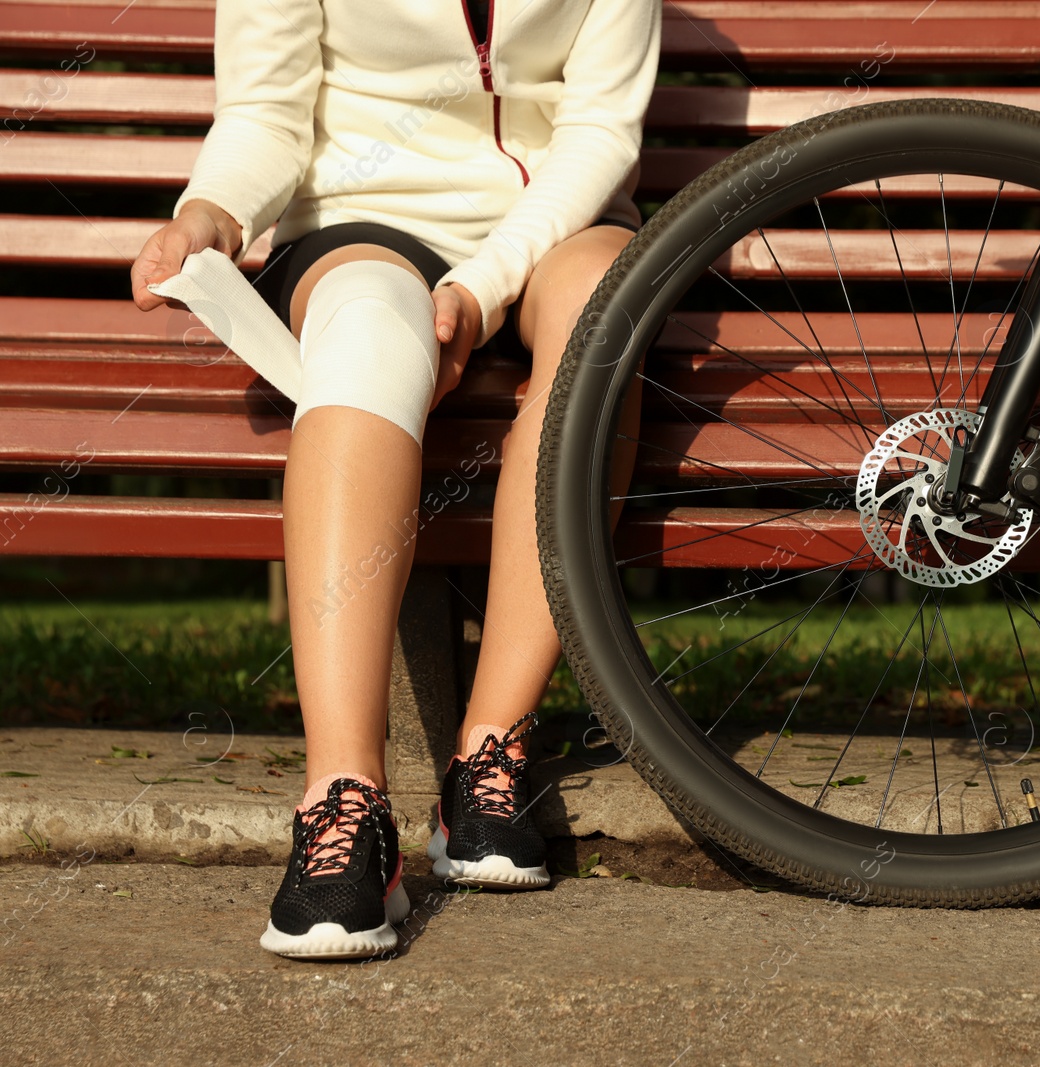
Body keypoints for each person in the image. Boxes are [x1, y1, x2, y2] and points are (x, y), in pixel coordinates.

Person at [129, 0, 662, 960]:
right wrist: (211, 212)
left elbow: (599, 135)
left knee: (604, 315)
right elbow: (267, 115)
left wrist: (479, 287)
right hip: (359, 222)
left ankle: (488, 758)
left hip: (556, 225)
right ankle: (345, 806)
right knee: (371, 332)